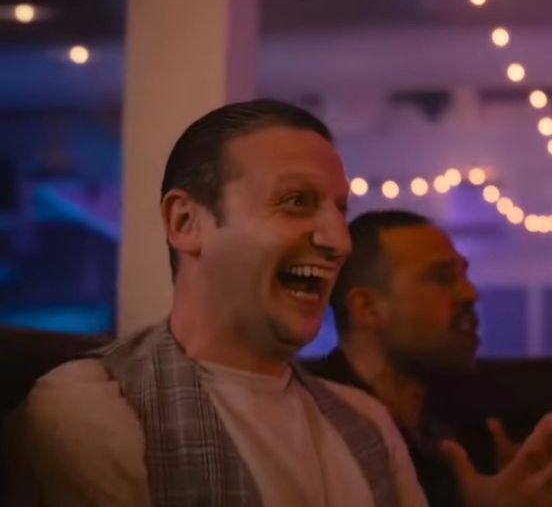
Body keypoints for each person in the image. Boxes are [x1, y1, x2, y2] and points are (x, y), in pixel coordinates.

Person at [8, 99, 426, 507]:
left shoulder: (366, 419)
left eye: (340, 211)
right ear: (185, 223)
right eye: (297, 201)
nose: (339, 242)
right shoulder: (92, 407)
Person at [314, 209, 552, 507]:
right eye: (442, 278)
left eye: (464, 275)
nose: (470, 293)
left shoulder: (477, 420)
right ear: (367, 309)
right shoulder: (314, 429)